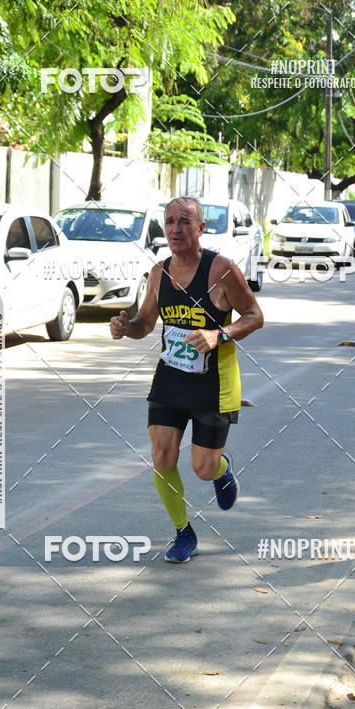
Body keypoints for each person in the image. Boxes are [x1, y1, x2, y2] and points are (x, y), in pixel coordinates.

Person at [110, 196, 264, 563]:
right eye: (170, 222)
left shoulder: (221, 270)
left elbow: (254, 315)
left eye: (184, 222)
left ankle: (221, 471)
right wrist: (126, 327)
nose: (176, 229)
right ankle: (184, 533)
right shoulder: (159, 273)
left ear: (200, 229)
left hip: (214, 383)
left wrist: (218, 335)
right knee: (162, 457)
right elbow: (145, 323)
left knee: (202, 468)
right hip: (171, 379)